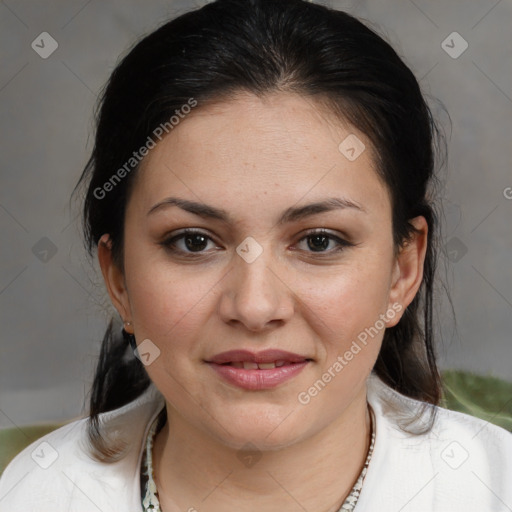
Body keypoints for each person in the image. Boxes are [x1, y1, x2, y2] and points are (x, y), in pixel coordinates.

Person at [0, 0, 511, 510]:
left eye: (319, 241)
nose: (255, 307)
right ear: (119, 279)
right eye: (193, 241)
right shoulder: (34, 494)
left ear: (403, 270)